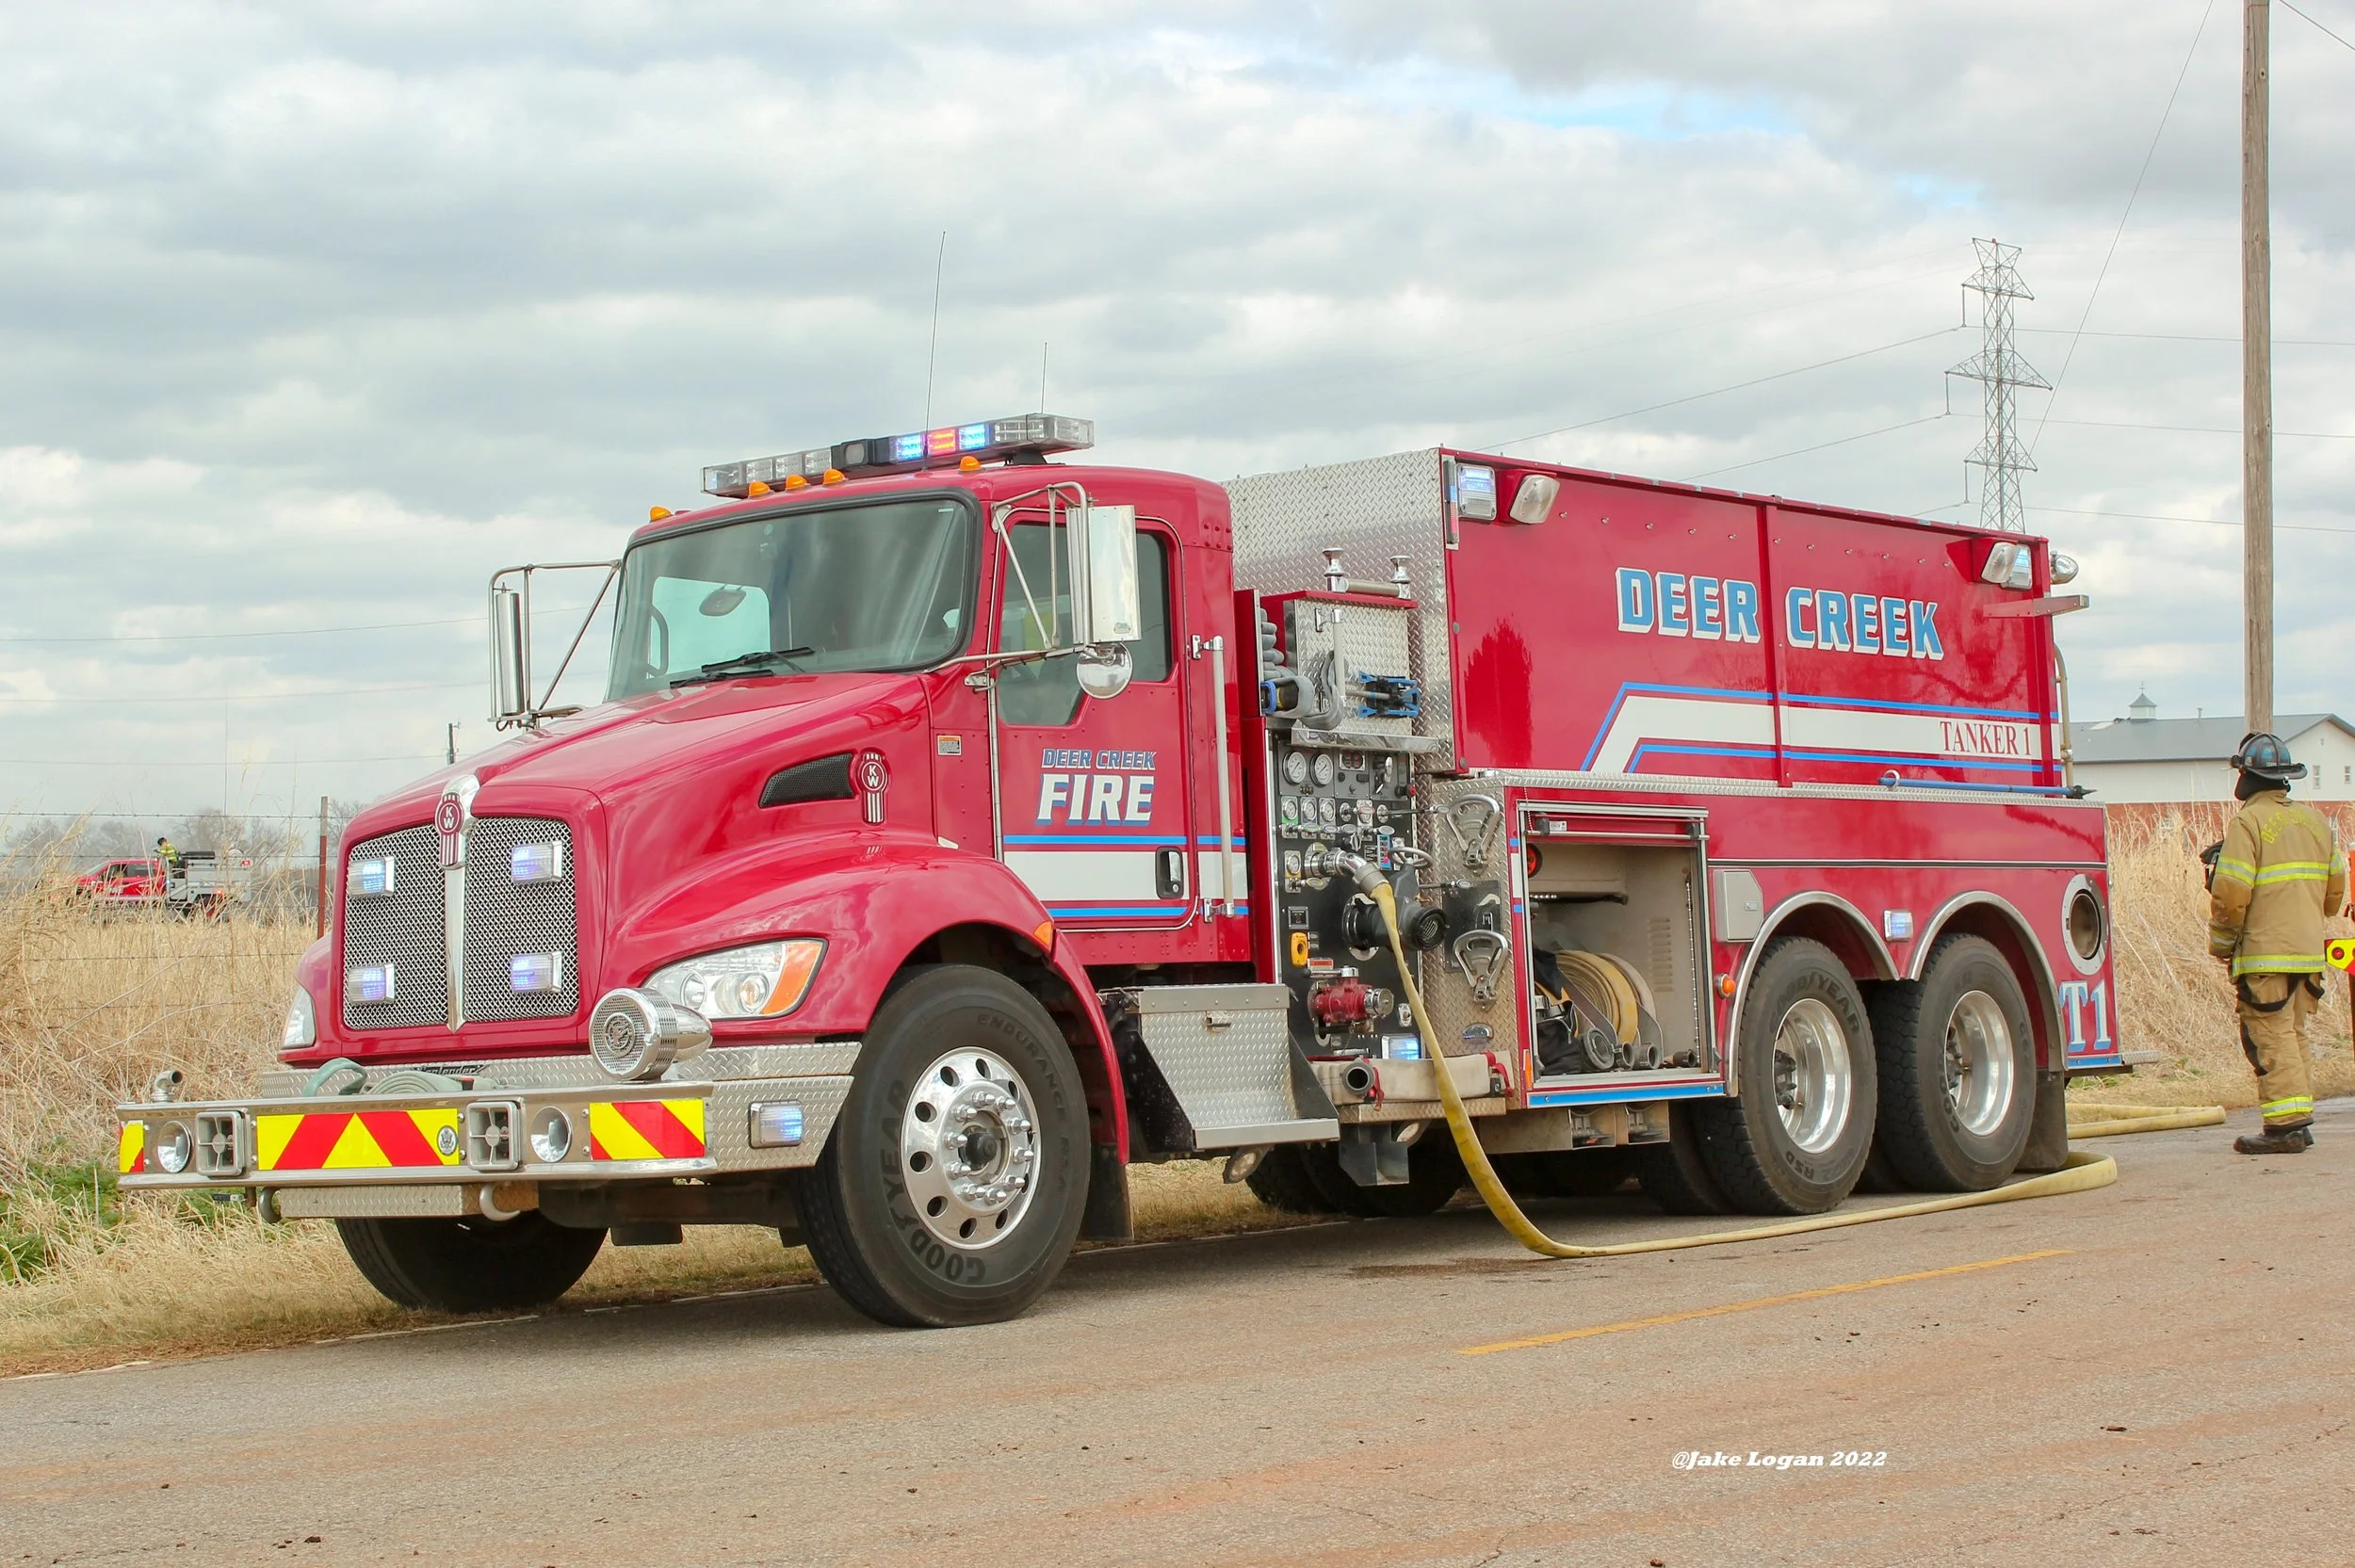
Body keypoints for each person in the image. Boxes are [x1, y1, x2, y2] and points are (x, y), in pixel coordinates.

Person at [2206, 733, 2347, 1154]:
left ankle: (2284, 1127)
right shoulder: (2316, 822)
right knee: (2294, 1034)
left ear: (2246, 776)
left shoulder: (2247, 823)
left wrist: (2222, 943)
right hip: (2307, 953)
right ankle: (2299, 1120)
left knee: (2270, 1035)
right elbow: (2334, 893)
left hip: (2265, 955)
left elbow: (2231, 895)